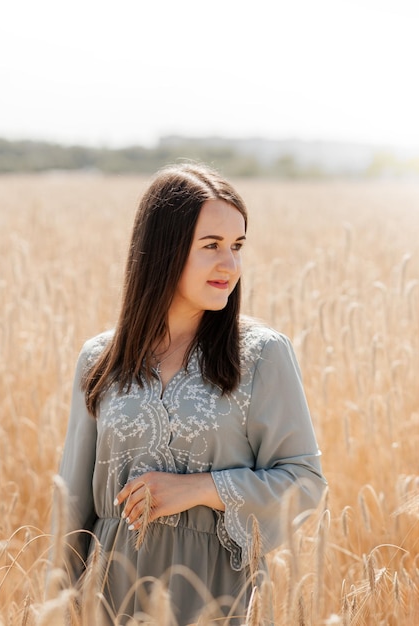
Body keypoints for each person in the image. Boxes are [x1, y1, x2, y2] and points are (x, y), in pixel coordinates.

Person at [54, 163, 327, 625]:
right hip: (112, 597)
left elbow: (305, 483)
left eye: (237, 247)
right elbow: (73, 507)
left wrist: (201, 489)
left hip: (216, 597)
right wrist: (56, 606)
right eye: (212, 246)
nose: (230, 265)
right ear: (165, 249)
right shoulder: (102, 357)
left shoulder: (261, 355)